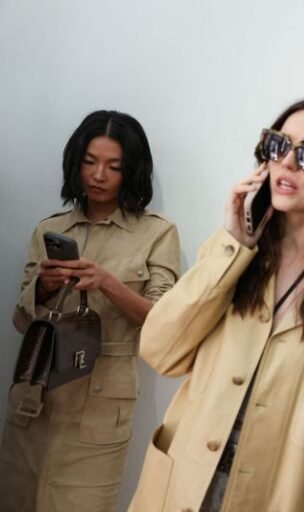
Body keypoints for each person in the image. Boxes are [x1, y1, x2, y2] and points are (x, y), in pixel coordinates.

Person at [129, 98, 304, 511]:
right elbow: (159, 349)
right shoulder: (233, 254)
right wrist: (233, 247)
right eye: (278, 145)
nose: (287, 162)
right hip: (179, 488)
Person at [0, 110, 181, 511]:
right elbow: (20, 321)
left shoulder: (157, 232)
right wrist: (44, 288)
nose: (98, 175)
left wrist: (107, 283)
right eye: (89, 162)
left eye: (114, 167)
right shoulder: (50, 229)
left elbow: (164, 325)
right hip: (34, 403)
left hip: (98, 414)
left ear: (132, 171)